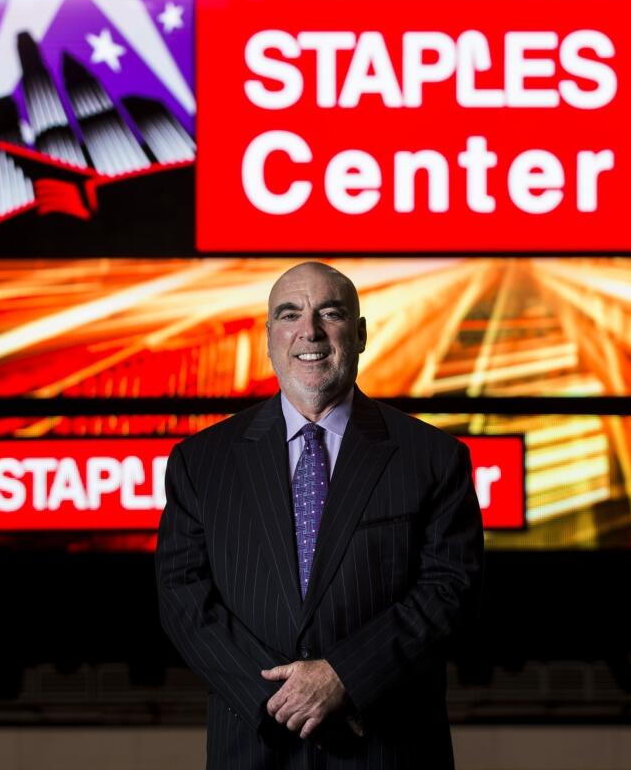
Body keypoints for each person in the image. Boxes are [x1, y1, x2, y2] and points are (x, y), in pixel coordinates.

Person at [156, 261, 484, 768]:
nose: (308, 331)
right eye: (290, 314)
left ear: (360, 334)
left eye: (329, 313)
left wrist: (344, 678)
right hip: (255, 746)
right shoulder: (201, 463)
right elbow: (184, 599)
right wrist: (281, 702)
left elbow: (448, 590)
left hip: (387, 747)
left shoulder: (434, 458)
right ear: (269, 338)